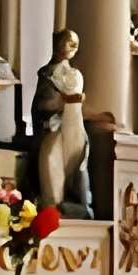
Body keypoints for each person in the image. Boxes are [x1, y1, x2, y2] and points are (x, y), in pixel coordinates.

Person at [31, 27, 90, 215]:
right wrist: (62, 101)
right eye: (66, 42)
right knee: (51, 158)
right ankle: (54, 204)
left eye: (73, 44)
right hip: (51, 129)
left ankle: (81, 203)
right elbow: (42, 105)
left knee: (80, 157)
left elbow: (78, 107)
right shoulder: (47, 74)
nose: (70, 47)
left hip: (71, 127)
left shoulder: (73, 74)